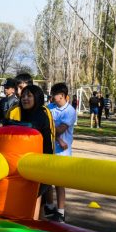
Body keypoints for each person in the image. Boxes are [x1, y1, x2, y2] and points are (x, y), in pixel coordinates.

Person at [46, 82, 77, 223]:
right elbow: (46, 126)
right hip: (48, 150)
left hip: (62, 154)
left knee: (59, 183)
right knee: (46, 180)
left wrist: (51, 127)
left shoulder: (69, 111)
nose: (52, 97)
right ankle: (49, 206)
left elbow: (59, 129)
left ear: (62, 96)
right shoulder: (49, 107)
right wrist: (57, 137)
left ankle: (61, 212)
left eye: (54, 94)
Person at [6, 85, 55, 156]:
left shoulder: (41, 114)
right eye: (23, 96)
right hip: (26, 157)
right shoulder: (24, 112)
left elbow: (30, 126)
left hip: (40, 160)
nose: (25, 98)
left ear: (37, 98)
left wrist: (6, 122)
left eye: (29, 96)